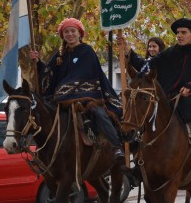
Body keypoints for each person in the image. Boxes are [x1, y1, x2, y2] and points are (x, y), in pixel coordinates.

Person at [123, 18, 191, 188]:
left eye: (183, 33)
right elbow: (147, 66)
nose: (179, 36)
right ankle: (139, 164)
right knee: (145, 119)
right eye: (178, 33)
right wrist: (129, 53)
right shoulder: (170, 53)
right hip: (168, 98)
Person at [29, 18, 125, 162]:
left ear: (79, 33)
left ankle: (116, 146)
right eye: (66, 32)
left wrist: (67, 87)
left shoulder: (87, 51)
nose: (70, 34)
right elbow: (49, 73)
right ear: (63, 35)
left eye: (73, 31)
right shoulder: (60, 55)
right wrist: (38, 63)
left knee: (98, 113)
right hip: (63, 98)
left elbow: (85, 73)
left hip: (87, 96)